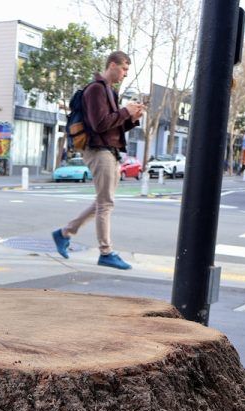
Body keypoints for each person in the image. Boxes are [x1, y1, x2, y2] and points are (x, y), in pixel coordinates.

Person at [52, 51, 144, 270]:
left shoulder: (109, 91)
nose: (125, 74)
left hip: (109, 150)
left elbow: (112, 126)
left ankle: (64, 233)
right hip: (98, 150)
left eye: (127, 70)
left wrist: (131, 118)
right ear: (112, 65)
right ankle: (106, 252)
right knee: (106, 203)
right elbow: (99, 124)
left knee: (103, 201)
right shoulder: (96, 89)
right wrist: (124, 111)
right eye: (123, 69)